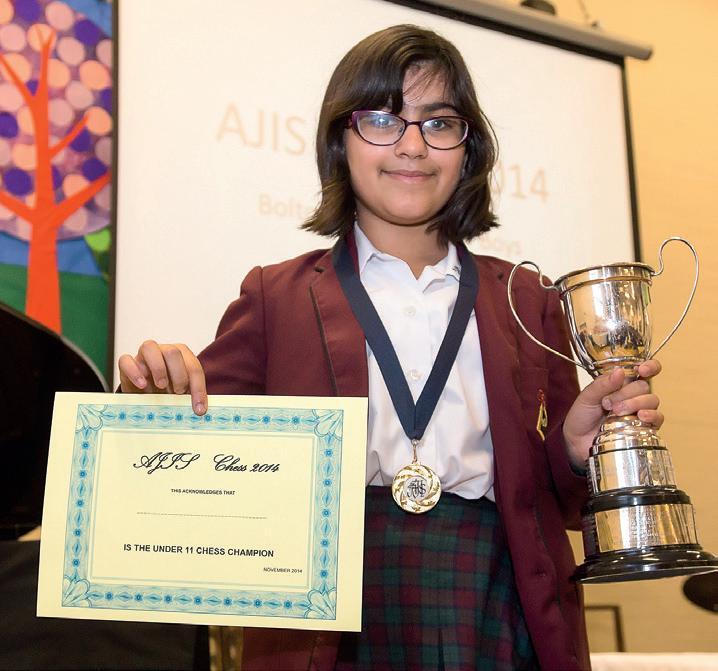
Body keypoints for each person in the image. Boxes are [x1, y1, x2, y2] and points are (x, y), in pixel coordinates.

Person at [119, 24, 662, 671]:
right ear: (340, 140)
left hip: (500, 596)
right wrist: (154, 393)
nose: (412, 145)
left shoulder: (528, 297)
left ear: (468, 148)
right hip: (330, 615)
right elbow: (182, 463)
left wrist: (576, 449)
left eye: (439, 123)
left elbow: (566, 504)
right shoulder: (276, 296)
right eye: (382, 119)